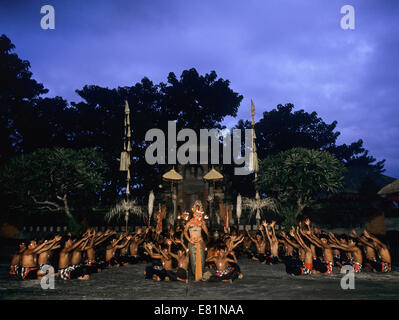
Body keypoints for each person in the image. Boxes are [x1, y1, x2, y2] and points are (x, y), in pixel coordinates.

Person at [184, 200, 209, 281]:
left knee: (201, 259)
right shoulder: (189, 223)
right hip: (192, 243)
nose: (199, 216)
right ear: (194, 214)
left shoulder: (201, 223)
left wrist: (207, 239)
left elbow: (207, 233)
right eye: (198, 214)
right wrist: (189, 240)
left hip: (200, 242)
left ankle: (201, 275)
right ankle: (196, 275)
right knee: (193, 260)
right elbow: (184, 232)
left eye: (200, 214)